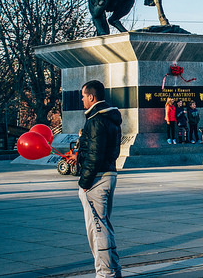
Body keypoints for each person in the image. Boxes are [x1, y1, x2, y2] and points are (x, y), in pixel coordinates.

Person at [77, 80, 122, 277]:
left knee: (97, 230)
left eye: (84, 96)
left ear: (92, 97)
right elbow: (106, 150)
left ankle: (106, 273)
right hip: (109, 174)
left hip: (96, 180)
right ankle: (113, 270)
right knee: (104, 226)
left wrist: (84, 183)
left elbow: (95, 156)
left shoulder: (96, 120)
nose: (82, 99)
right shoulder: (111, 118)